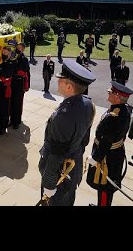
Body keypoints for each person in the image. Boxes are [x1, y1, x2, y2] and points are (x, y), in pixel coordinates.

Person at [38, 60, 96, 206]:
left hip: (59, 175)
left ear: (69, 87)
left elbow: (57, 152)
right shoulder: (87, 103)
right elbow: (84, 140)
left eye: (60, 80)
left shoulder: (64, 116)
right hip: (72, 169)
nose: (57, 81)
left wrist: (49, 184)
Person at [86, 81, 132, 206]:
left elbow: (106, 140)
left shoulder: (115, 116)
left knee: (105, 187)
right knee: (103, 187)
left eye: (110, 92)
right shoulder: (121, 110)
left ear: (117, 97)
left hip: (107, 157)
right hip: (113, 153)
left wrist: (95, 158)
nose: (108, 93)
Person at [0, 46, 16, 135]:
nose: (4, 54)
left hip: (5, 87)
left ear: (10, 53)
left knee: (4, 108)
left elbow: (7, 74)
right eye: (3, 53)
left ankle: (3, 126)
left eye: (5, 53)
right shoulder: (0, 62)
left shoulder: (11, 63)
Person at [10, 42, 30, 129]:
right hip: (12, 82)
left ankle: (16, 121)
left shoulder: (24, 58)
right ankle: (11, 119)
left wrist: (27, 85)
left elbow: (25, 70)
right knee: (11, 102)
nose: (18, 49)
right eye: (17, 47)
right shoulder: (13, 56)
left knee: (18, 103)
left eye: (20, 48)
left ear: (23, 49)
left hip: (19, 83)